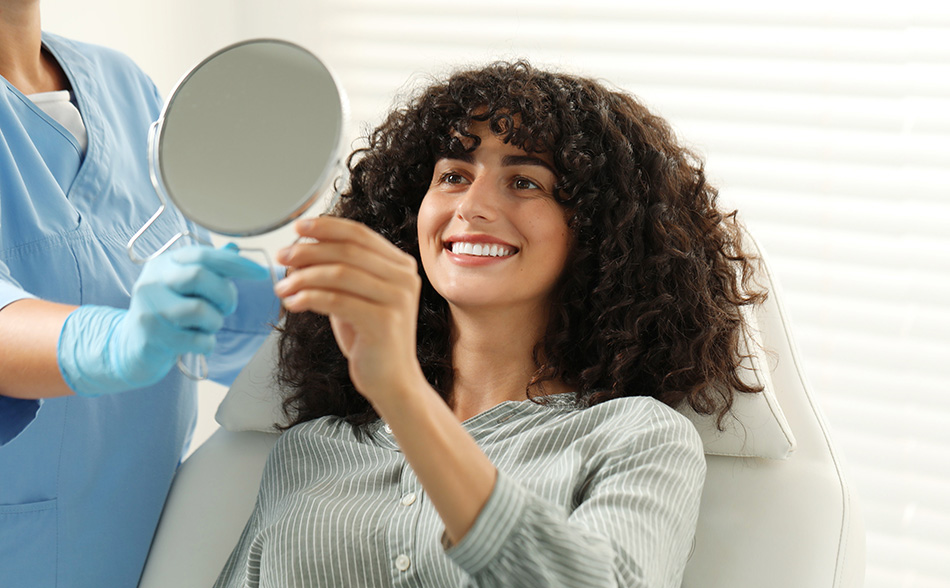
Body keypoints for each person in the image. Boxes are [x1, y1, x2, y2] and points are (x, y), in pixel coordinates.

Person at [215, 61, 765, 587]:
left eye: (525, 182)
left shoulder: (632, 437)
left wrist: (402, 392)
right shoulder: (311, 451)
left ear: (598, 232)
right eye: (453, 175)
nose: (472, 206)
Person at [0, 2, 279, 586]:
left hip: (157, 546)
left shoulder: (124, 85)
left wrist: (284, 321)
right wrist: (115, 340)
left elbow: (195, 312)